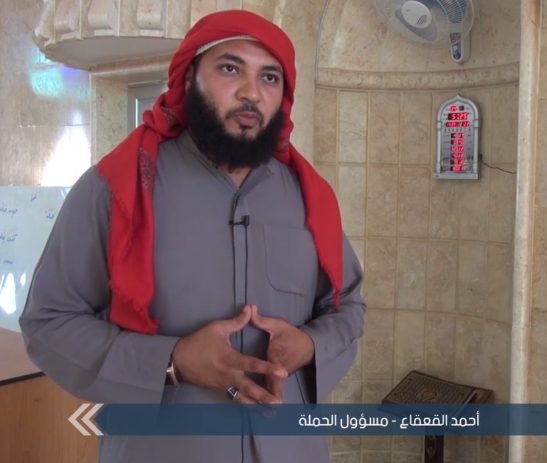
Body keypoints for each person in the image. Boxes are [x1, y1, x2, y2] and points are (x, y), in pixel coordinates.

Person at [19, 9, 366, 463]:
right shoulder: (117, 188)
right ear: (187, 80)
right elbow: (49, 323)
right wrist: (172, 361)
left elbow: (348, 307)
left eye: (269, 78)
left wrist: (310, 345)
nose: (250, 93)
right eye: (229, 68)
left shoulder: (309, 197)